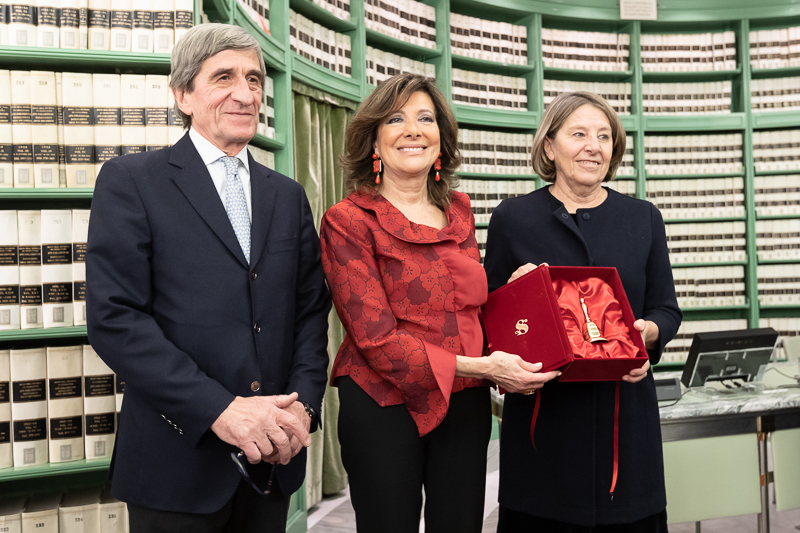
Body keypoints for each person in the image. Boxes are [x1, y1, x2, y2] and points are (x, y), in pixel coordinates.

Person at [85, 23, 331, 533]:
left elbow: (310, 313)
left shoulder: (287, 195)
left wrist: (303, 408)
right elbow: (115, 319)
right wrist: (221, 410)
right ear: (183, 94)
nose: (245, 94)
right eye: (224, 77)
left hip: (272, 460)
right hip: (176, 463)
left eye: (255, 79)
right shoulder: (131, 182)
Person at [319, 73, 558, 533]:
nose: (413, 129)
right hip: (383, 403)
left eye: (425, 118)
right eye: (396, 118)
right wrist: (485, 369)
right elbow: (377, 340)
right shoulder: (347, 220)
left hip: (463, 404)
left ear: (441, 140)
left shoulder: (460, 211)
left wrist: (523, 292)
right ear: (374, 139)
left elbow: (466, 308)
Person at [484, 91, 682, 532]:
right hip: (545, 426)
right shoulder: (513, 218)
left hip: (625, 422)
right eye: (579, 134)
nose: (594, 145)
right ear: (550, 146)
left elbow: (667, 309)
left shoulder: (643, 218)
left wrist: (648, 333)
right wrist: (517, 298)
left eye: (604, 136)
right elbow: (488, 318)